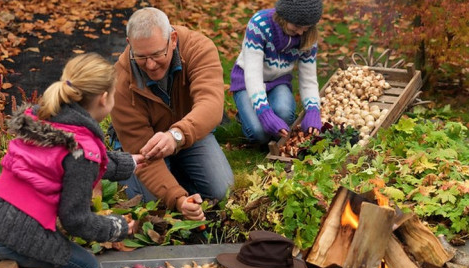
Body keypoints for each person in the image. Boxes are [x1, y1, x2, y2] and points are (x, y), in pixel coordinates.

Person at [0, 53, 145, 268]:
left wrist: (132, 162)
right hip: (18, 237)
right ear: (104, 98)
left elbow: (75, 165)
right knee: (87, 267)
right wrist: (115, 228)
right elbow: (75, 220)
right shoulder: (81, 149)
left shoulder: (46, 119)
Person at [110, 7, 234, 221]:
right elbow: (140, 146)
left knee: (222, 191)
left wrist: (176, 135)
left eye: (157, 54)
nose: (150, 64)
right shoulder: (120, 81)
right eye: (141, 57)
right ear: (130, 44)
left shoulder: (199, 48)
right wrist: (178, 199)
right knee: (154, 205)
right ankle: (169, 180)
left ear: (173, 39)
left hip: (186, 133)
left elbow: (211, 104)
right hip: (144, 147)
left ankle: (177, 169)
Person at [230, 0, 324, 144]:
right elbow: (253, 76)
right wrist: (264, 112)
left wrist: (313, 110)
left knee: (285, 116)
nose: (300, 32)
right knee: (259, 134)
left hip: (278, 81)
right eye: (297, 26)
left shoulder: (308, 37)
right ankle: (244, 115)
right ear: (283, 15)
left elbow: (308, 79)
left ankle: (260, 108)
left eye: (306, 27)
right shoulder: (260, 25)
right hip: (246, 82)